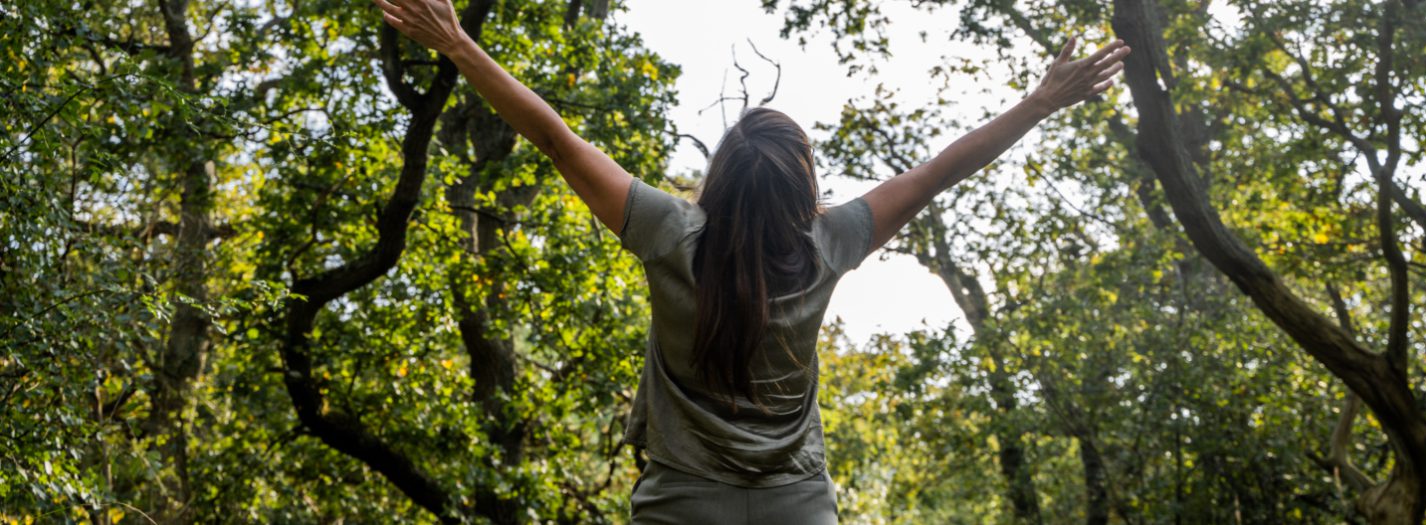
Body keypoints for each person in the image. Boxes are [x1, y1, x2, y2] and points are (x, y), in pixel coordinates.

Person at [374, 0, 1129, 522]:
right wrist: (1036, 104)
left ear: (722, 174)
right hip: (795, 506)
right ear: (804, 186)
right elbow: (935, 172)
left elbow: (556, 140)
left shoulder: (668, 232)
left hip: (679, 502)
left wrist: (459, 43)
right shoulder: (830, 242)